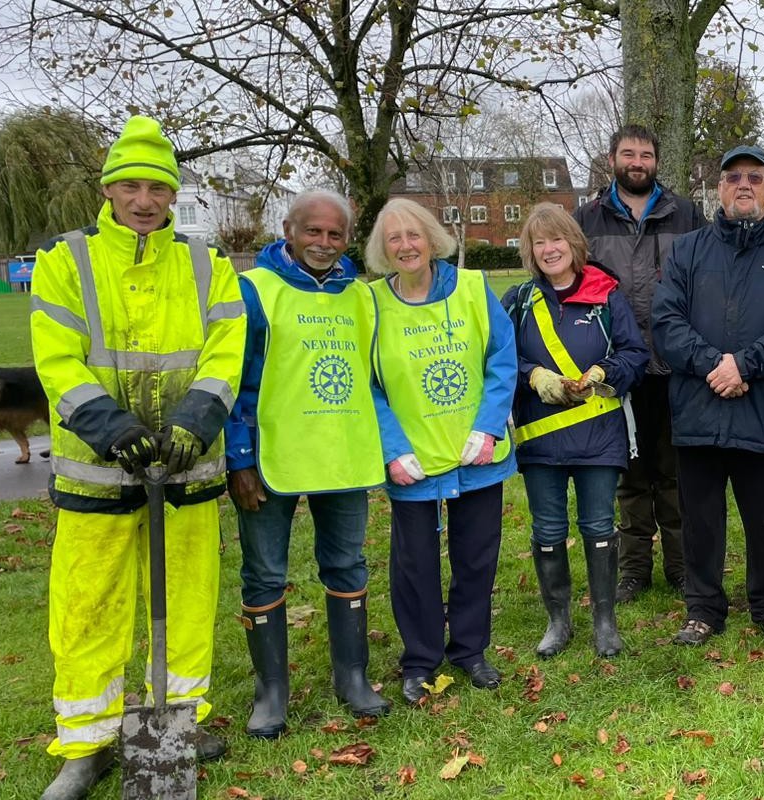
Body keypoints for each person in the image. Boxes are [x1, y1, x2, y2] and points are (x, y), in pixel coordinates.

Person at [30, 115, 245, 799]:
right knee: (88, 603)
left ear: (173, 193)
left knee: (185, 600)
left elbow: (225, 351)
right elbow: (57, 357)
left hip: (185, 467)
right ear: (109, 189)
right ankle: (86, 743)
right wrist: (107, 423)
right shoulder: (67, 261)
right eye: (132, 186)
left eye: (158, 187)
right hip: (98, 470)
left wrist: (195, 421)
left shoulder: (207, 263)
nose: (145, 200)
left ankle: (176, 722)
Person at [225, 189, 390, 737]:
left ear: (349, 238)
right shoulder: (254, 290)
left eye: (335, 234)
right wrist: (239, 458)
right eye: (312, 232)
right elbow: (232, 380)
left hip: (342, 457)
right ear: (288, 230)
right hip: (271, 460)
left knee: (347, 565)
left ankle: (353, 677)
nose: (324, 243)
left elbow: (378, 380)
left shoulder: (363, 296)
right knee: (265, 572)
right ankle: (271, 693)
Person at [651, 145, 764, 647]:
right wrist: (713, 365)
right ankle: (703, 609)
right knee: (700, 520)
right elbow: (666, 321)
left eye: (755, 176)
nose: (743, 184)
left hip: (761, 410)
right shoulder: (687, 250)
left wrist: (744, 364)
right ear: (717, 189)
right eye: (732, 177)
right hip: (698, 409)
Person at [366, 199, 517, 704]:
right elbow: (370, 387)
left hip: (476, 453)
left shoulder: (473, 288)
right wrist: (392, 448)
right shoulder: (371, 305)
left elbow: (502, 357)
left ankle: (470, 651)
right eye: (394, 239)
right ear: (383, 250)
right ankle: (420, 660)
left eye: (414, 235)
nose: (406, 245)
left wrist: (489, 426)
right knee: (415, 567)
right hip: (413, 463)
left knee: (476, 558)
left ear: (432, 239)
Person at [503, 203, 649, 659]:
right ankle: (558, 621)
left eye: (557, 239)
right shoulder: (519, 301)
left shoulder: (607, 296)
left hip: (599, 435)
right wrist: (536, 378)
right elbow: (499, 360)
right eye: (539, 242)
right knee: (547, 529)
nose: (550, 249)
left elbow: (635, 353)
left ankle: (605, 623)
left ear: (574, 244)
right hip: (541, 436)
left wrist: (605, 371)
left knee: (599, 525)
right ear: (530, 250)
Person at [574, 125, 708, 602]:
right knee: (629, 477)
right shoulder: (587, 219)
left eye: (646, 154)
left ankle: (680, 566)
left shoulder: (687, 214)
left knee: (675, 475)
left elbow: (705, 283)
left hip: (675, 367)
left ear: (656, 161)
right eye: (628, 153)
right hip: (618, 369)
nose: (637, 162)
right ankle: (633, 571)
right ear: (612, 158)